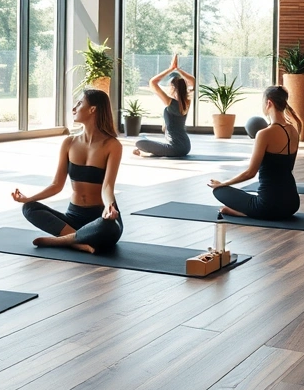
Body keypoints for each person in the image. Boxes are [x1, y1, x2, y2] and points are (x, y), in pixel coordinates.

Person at [11, 89, 123, 253]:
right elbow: (56, 185)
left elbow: (107, 187)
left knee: (109, 227)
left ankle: (62, 240)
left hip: (99, 218)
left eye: (80, 103)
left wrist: (109, 207)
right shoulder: (69, 143)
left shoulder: (112, 145)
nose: (74, 108)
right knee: (29, 208)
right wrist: (29, 198)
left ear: (92, 109)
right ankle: (78, 242)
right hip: (73, 218)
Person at [208, 85, 302, 220]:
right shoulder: (294, 130)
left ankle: (244, 212)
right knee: (255, 197)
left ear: (269, 103)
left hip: (269, 206)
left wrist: (223, 184)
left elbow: (250, 173)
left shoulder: (265, 134)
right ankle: (250, 211)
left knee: (218, 191)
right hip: (292, 204)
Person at [132, 54, 195, 158]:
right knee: (147, 142)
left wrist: (171, 69)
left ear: (173, 88)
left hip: (175, 148)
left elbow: (153, 82)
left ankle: (145, 153)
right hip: (186, 146)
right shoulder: (187, 102)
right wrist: (178, 70)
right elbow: (193, 81)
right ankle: (149, 152)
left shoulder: (171, 103)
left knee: (139, 143)